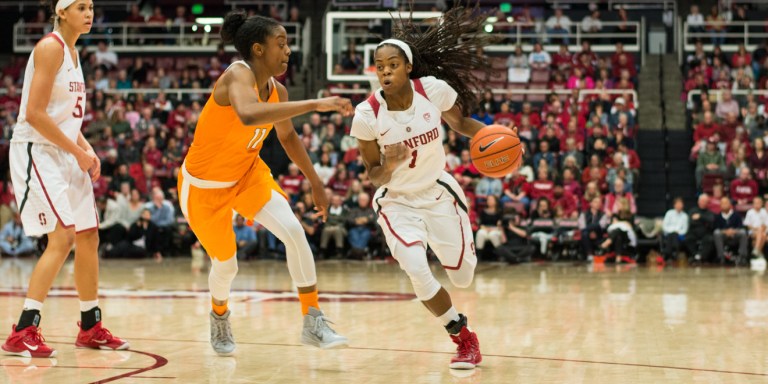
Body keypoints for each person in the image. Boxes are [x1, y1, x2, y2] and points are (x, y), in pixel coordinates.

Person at [177, 11, 351, 356]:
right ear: (258, 49)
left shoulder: (279, 90)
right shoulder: (236, 76)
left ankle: (312, 319)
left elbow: (287, 137)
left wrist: (315, 181)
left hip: (247, 173)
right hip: (204, 187)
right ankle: (219, 314)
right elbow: (249, 114)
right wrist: (316, 103)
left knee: (294, 231)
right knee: (227, 265)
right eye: (281, 44)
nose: (288, 51)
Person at [350, 4, 495, 369]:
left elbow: (462, 124)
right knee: (415, 265)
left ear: (408, 67)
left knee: (463, 277)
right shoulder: (366, 114)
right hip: (397, 202)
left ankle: (459, 242)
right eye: (379, 66)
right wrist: (391, 163)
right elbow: (373, 175)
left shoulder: (432, 90)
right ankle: (462, 337)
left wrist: (500, 137)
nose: (385, 70)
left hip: (438, 191)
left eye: (392, 64)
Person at [2, 0, 129, 358]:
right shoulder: (49, 48)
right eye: (81, 7)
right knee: (63, 236)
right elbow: (36, 115)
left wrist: (86, 150)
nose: (89, 13)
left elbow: (66, 122)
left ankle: (90, 326)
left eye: (91, 7)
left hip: (64, 151)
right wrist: (78, 154)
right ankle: (23, 328)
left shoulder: (74, 53)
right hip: (38, 150)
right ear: (62, 12)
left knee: (88, 235)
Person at [713, 197, 747, 263]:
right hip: (723, 236)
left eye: (726, 203)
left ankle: (742, 256)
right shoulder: (717, 216)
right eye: (722, 203)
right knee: (716, 233)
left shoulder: (736, 215)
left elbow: (741, 227)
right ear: (720, 205)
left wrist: (733, 231)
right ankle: (721, 257)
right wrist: (726, 231)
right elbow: (715, 228)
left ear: (730, 205)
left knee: (743, 232)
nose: (724, 205)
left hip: (735, 235)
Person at [662, 197, 688, 262]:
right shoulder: (669, 213)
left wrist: (677, 232)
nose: (679, 205)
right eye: (677, 204)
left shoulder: (685, 216)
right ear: (674, 205)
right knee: (672, 235)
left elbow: (685, 229)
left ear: (683, 205)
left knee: (674, 235)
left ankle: (668, 254)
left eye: (680, 204)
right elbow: (664, 226)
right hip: (669, 233)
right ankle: (675, 253)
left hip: (679, 235)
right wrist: (673, 231)